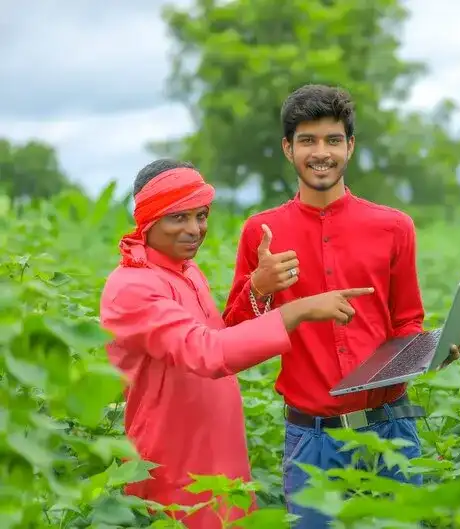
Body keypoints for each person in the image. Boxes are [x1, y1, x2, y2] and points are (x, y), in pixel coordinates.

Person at [223, 84, 460, 528]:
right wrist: (259, 287)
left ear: (350, 146)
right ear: (288, 148)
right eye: (308, 140)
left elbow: (406, 323)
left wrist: (434, 350)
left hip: (390, 429)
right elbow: (234, 340)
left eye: (333, 140)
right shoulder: (260, 232)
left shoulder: (394, 227)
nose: (321, 153)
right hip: (311, 441)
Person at [99, 159, 375, 528]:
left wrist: (257, 288)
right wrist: (297, 311)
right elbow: (208, 352)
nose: (195, 230)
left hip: (221, 455)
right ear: (147, 221)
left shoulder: (185, 271)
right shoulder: (132, 287)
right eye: (178, 218)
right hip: (174, 464)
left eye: (201, 215)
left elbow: (222, 336)